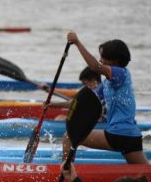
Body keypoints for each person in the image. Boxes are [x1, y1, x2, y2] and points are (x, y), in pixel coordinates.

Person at [63, 31, 147, 164]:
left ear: (116, 61)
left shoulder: (121, 73)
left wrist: (77, 42)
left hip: (118, 134)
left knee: (70, 136)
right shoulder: (107, 83)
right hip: (132, 136)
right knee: (146, 177)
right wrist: (52, 105)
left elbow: (95, 67)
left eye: (104, 58)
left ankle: (67, 174)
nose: (101, 60)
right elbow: (83, 102)